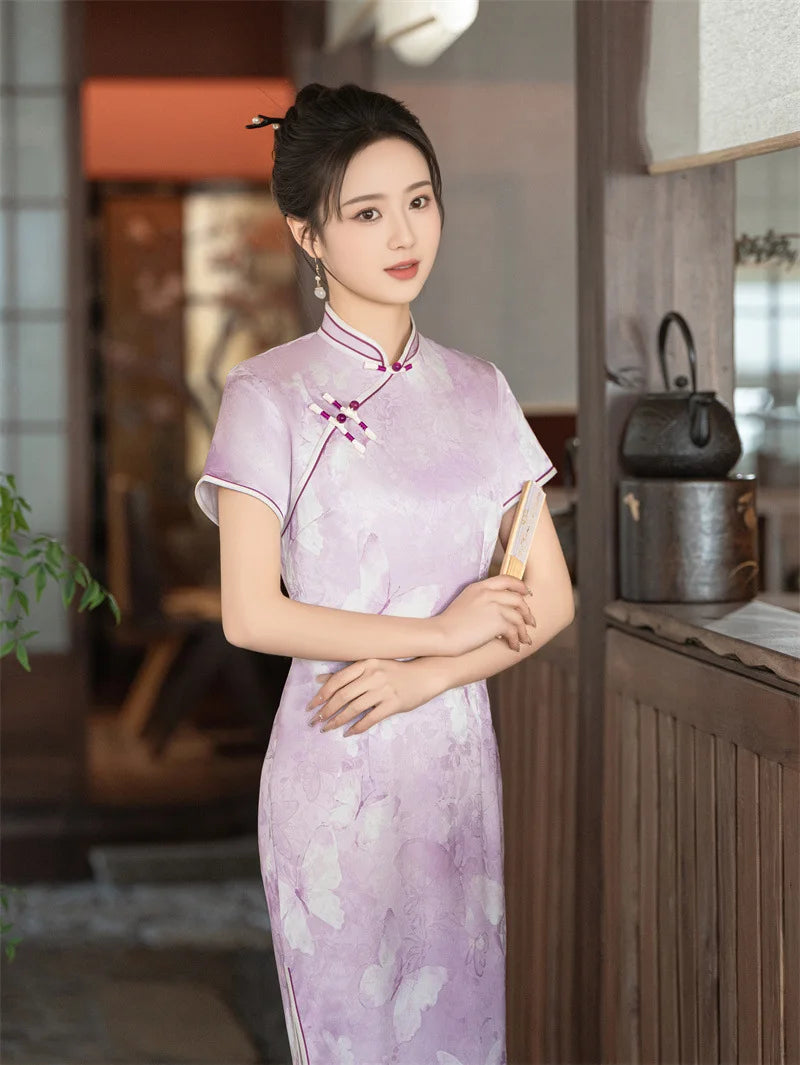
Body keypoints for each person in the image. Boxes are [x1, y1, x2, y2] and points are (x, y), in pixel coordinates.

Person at [194, 81, 574, 1065]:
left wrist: (429, 675)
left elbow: (551, 599)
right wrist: (438, 632)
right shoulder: (268, 392)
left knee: (460, 1036)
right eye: (365, 213)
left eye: (419, 199)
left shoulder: (480, 390)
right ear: (307, 236)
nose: (403, 233)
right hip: (337, 760)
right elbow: (250, 613)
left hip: (455, 766)